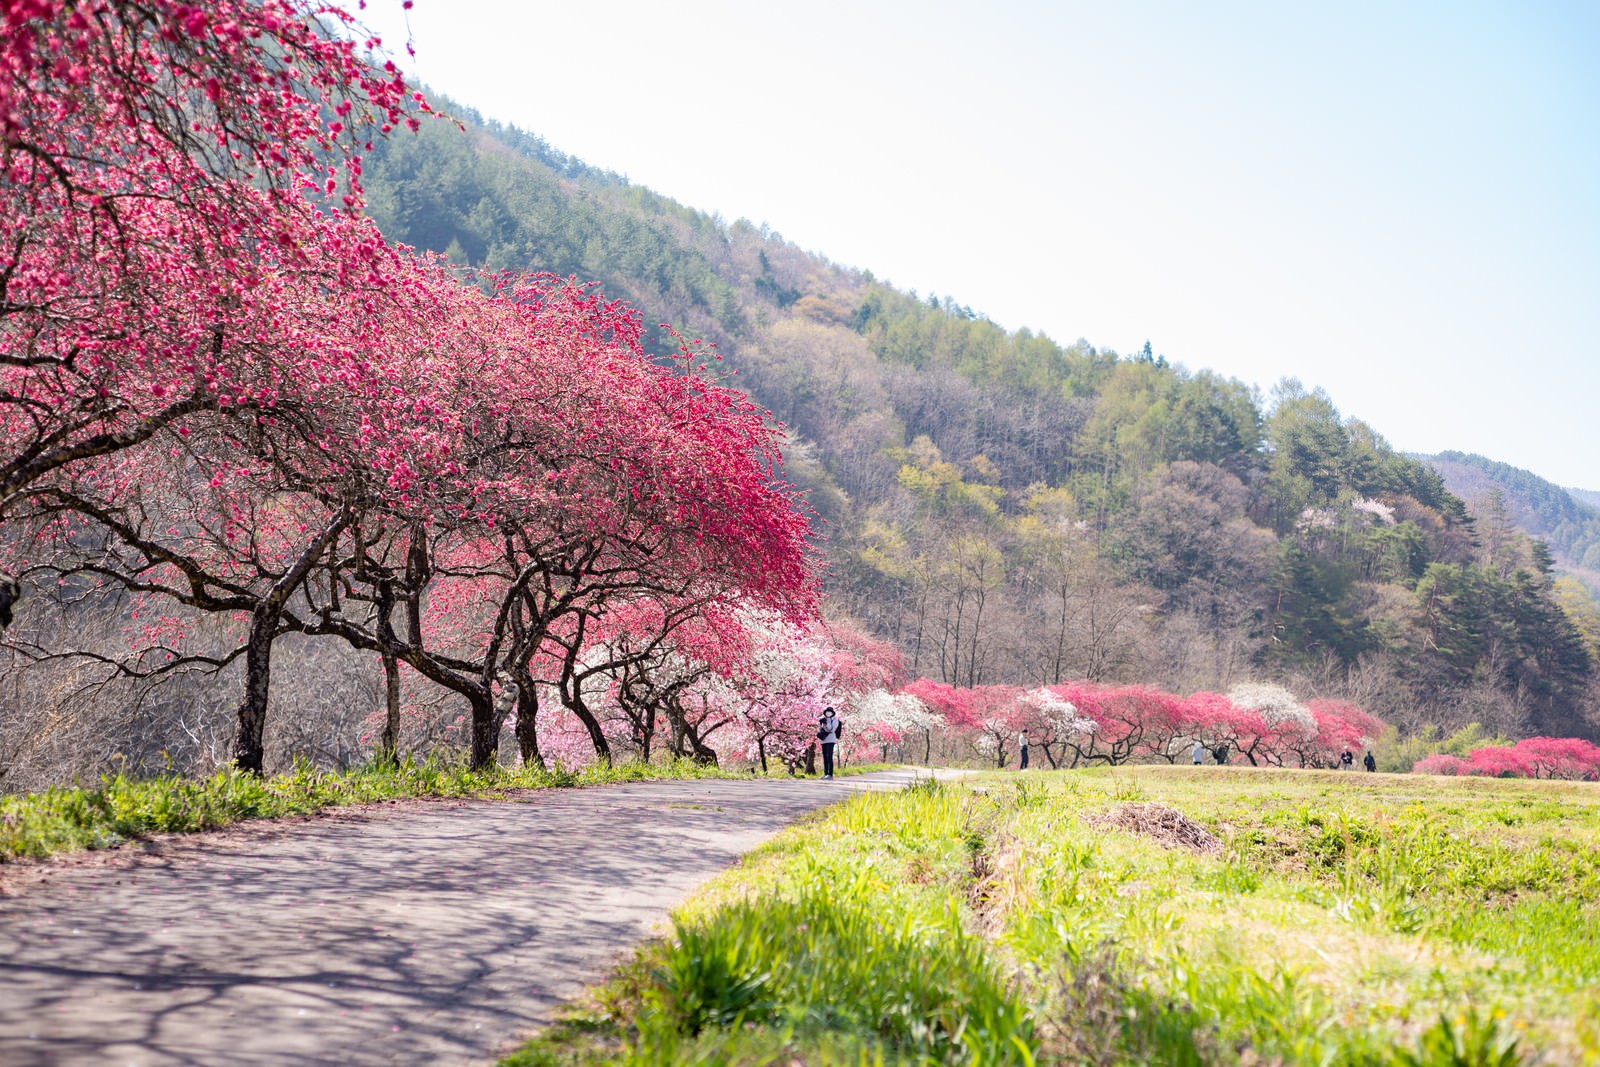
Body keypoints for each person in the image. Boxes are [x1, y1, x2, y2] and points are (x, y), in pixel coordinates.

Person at [817, 706, 842, 780]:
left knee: (829, 756)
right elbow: (821, 729)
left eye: (829, 712)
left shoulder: (835, 720)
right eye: (827, 712)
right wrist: (823, 724)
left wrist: (827, 722)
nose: (828, 713)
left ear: (832, 713)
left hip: (831, 740)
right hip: (824, 740)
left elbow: (832, 729)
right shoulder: (823, 720)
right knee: (825, 757)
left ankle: (830, 774)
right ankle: (825, 773)